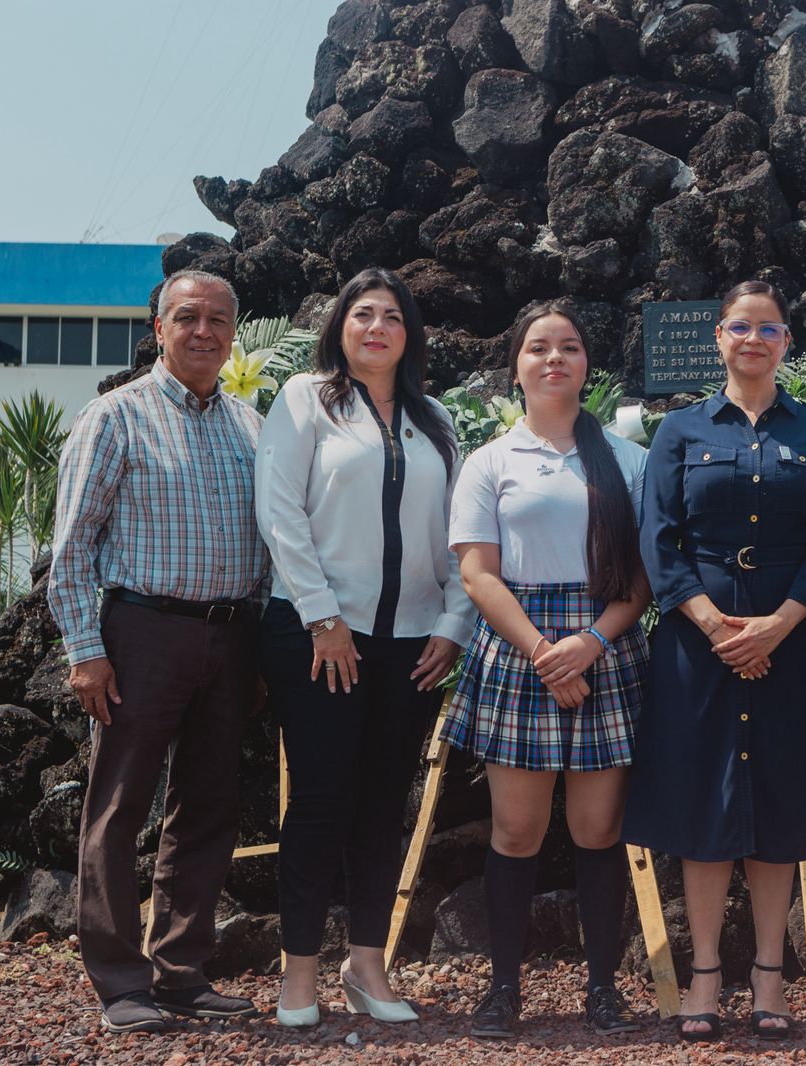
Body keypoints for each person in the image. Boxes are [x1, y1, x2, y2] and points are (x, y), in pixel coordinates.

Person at [624, 280, 806, 1043]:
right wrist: (716, 624)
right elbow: (658, 538)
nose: (753, 339)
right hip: (699, 648)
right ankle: (702, 977)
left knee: (779, 804)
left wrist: (776, 627)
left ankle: (767, 973)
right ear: (719, 339)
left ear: (786, 341)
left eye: (768, 328)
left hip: (791, 646)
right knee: (702, 807)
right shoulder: (681, 431)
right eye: (739, 326)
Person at [254, 268, 474, 1026]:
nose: (376, 327)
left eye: (392, 317)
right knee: (319, 800)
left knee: (385, 803)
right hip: (318, 639)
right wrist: (322, 616)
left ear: (409, 334)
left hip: (412, 644)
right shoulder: (304, 401)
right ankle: (299, 976)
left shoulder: (436, 419)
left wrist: (452, 627)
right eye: (362, 314)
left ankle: (368, 966)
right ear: (340, 327)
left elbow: (460, 538)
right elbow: (280, 510)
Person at [49, 270, 266, 1034]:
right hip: (141, 633)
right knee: (118, 806)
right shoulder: (115, 418)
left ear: (234, 331)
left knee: (208, 804)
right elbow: (71, 549)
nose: (203, 332)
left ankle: (181, 971)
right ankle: (119, 982)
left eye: (217, 319)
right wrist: (85, 650)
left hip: (232, 634)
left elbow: (271, 540)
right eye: (187, 318)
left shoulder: (251, 425)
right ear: (158, 327)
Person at [441, 302, 652, 1039]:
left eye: (568, 347)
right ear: (517, 366)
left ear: (588, 364)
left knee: (599, 829)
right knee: (518, 829)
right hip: (518, 647)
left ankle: (603, 988)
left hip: (606, 647)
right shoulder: (492, 459)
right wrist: (543, 651)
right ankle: (503, 990)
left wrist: (589, 642)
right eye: (538, 347)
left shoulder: (628, 460)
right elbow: (477, 575)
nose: (554, 358)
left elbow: (642, 579)